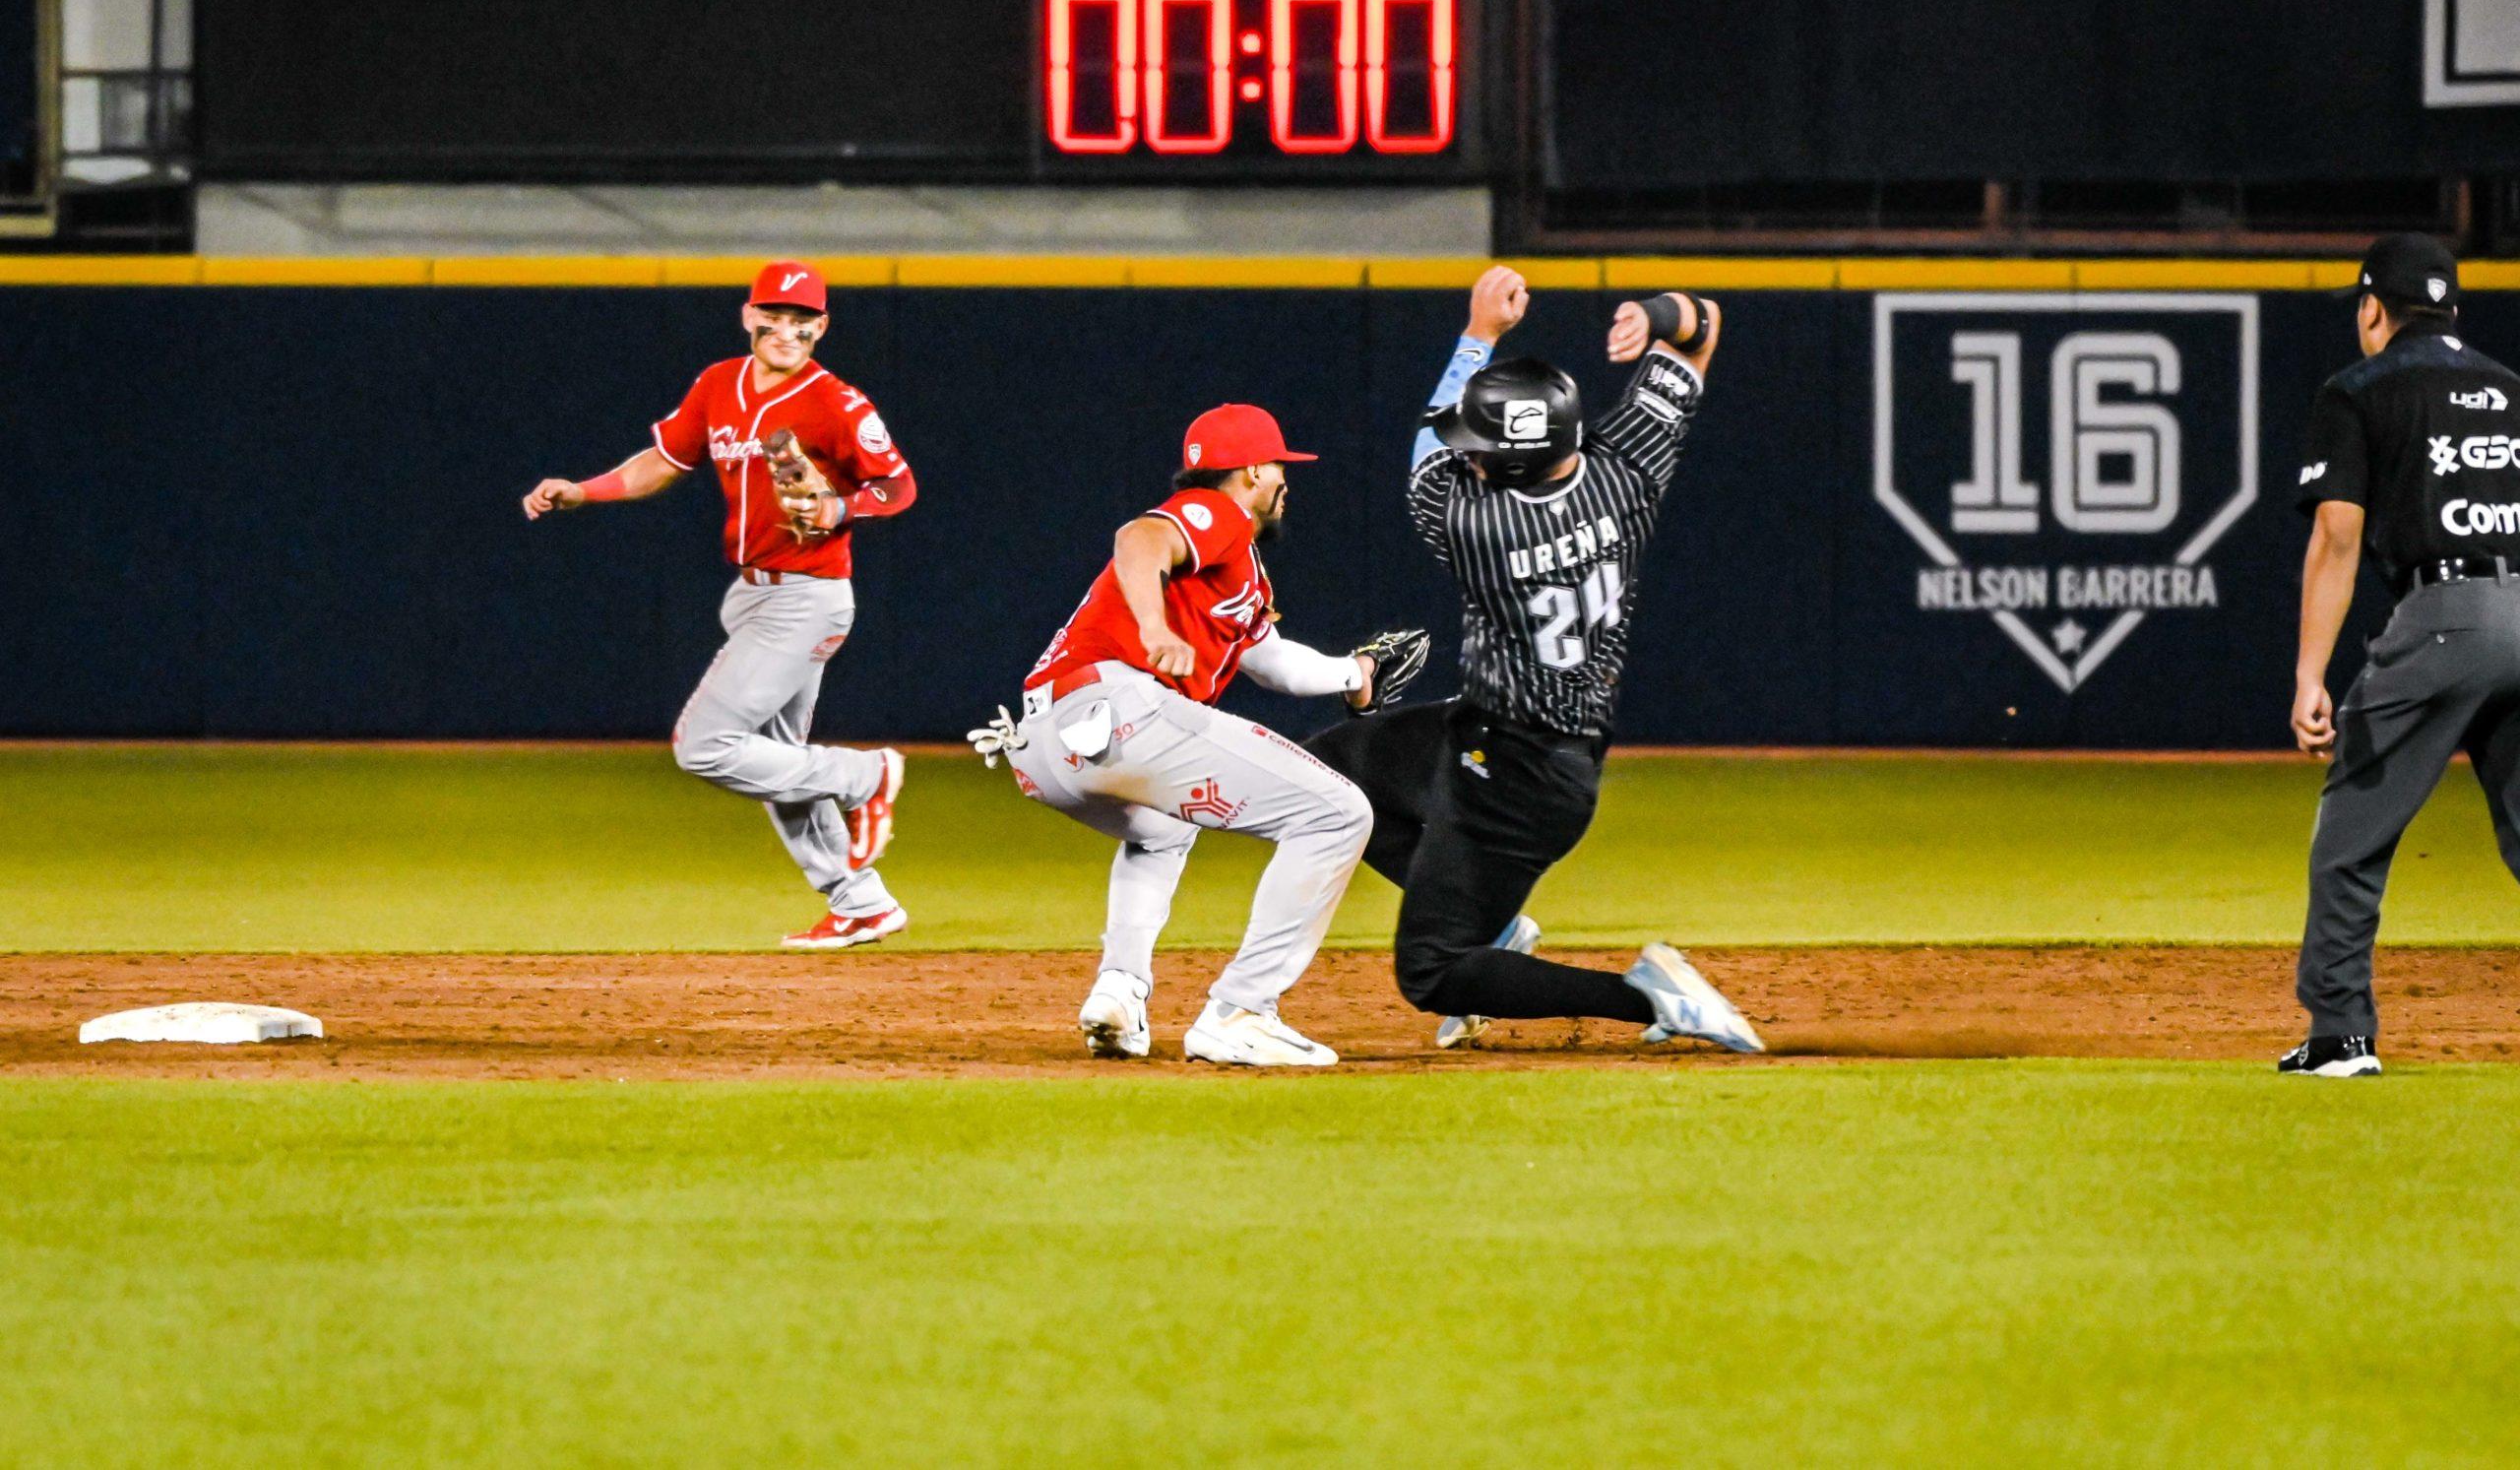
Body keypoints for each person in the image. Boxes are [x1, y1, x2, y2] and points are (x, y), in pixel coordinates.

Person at [1304, 266, 1764, 1055]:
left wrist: (1479, 333)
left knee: (1434, 971)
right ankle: (1500, 927)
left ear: (1503, 467)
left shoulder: (1475, 525)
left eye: (1479, 450)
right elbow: (1704, 325)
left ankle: (1647, 997)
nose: (1466, 456)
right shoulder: (1626, 470)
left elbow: (1425, 444)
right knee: (1325, 776)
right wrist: (1656, 315)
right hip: (1501, 735)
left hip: (1521, 779)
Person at [966, 404, 1428, 1066]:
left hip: (1047, 743)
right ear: (1249, 472)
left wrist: (1354, 674)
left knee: (1162, 828)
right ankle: (1243, 1011)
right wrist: (1154, 628)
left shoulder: (1241, 572)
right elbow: (1139, 539)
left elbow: (1271, 661)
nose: (1284, 481)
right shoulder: (1217, 515)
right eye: (1277, 468)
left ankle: (1119, 994)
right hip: (1118, 705)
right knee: (1337, 812)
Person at [522, 260, 917, 951]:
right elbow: (663, 461)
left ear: (822, 327)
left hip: (807, 596)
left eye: (804, 320)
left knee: (704, 745)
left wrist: (840, 505)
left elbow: (899, 485)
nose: (787, 330)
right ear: (748, 316)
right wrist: (584, 490)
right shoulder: (717, 383)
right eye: (775, 316)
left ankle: (865, 774)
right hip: (751, 594)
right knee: (774, 757)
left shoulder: (837, 402)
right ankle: (861, 904)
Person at [2287, 231, 2520, 1076]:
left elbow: (2337, 536)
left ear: (2373, 307)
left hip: (2447, 614)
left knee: (2351, 827)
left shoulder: (2358, 388)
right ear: (2453, 308)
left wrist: (2312, 675)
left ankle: (2340, 1035)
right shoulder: (2510, 387)